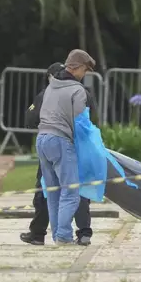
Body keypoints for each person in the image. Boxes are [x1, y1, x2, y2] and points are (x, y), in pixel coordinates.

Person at [20, 62, 99, 246]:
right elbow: (85, 121)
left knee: (49, 191)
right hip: (70, 144)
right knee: (76, 191)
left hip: (45, 141)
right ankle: (80, 232)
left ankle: (41, 232)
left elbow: (30, 118)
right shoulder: (79, 91)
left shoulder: (47, 93)